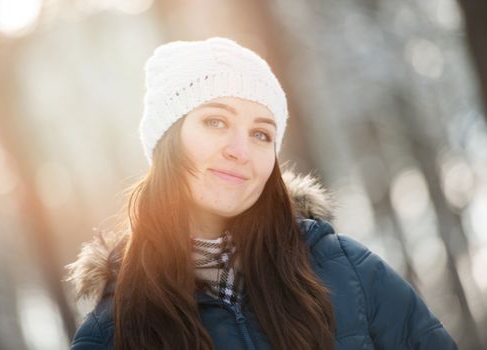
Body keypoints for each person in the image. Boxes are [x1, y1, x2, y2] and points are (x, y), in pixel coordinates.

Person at [66, 37, 457, 350]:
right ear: (168, 140)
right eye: (216, 121)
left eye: (261, 134)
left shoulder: (348, 270)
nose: (241, 150)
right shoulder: (110, 332)